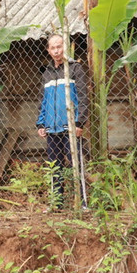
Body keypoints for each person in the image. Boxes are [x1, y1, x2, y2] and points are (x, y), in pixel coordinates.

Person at [36, 34, 88, 208]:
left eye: (59, 46)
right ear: (49, 50)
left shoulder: (75, 68)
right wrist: (41, 123)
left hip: (70, 127)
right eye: (53, 48)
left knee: (76, 166)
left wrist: (80, 122)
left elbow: (83, 96)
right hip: (52, 128)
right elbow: (43, 100)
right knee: (54, 167)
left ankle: (82, 203)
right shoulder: (47, 72)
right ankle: (56, 204)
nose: (57, 50)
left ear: (65, 47)